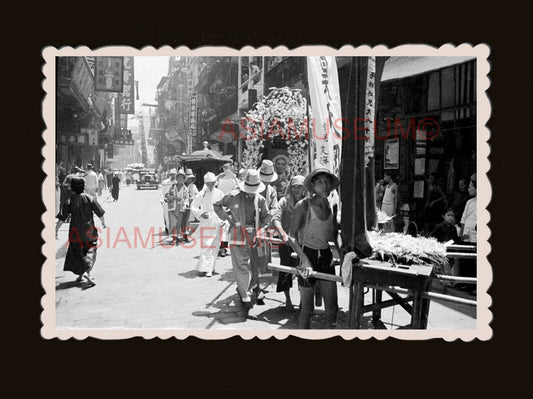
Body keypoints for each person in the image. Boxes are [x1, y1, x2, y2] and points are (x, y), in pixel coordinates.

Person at [288, 168, 341, 329]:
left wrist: (343, 256)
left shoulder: (332, 205)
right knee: (307, 308)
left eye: (327, 182)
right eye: (319, 182)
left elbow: (333, 235)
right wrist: (304, 260)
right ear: (312, 185)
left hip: (325, 256)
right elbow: (291, 236)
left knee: (332, 308)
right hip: (307, 254)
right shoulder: (303, 205)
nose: (324, 185)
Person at [213, 169, 269, 311]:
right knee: (241, 266)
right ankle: (245, 296)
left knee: (255, 265)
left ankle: (252, 288)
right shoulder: (233, 196)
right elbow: (216, 205)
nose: (251, 192)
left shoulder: (260, 200)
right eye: (249, 189)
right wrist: (228, 218)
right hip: (238, 237)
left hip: (255, 238)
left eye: (253, 189)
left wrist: (262, 229)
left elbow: (266, 218)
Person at [55, 177, 106, 287]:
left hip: (75, 232)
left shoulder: (69, 200)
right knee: (90, 251)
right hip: (89, 231)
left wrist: (56, 229)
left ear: (73, 187)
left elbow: (62, 218)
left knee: (78, 253)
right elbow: (100, 213)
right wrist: (103, 223)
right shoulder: (90, 198)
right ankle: (87, 272)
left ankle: (81, 274)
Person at [272, 175, 306, 311]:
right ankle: (288, 300)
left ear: (304, 187)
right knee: (285, 271)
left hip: (303, 243)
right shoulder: (284, 201)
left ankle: (304, 301)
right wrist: (282, 233)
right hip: (286, 242)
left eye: (299, 186)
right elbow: (275, 218)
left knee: (303, 271)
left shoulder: (308, 202)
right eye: (294, 186)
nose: (296, 189)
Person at [190, 172, 224, 277]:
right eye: (208, 184)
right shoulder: (202, 194)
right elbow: (193, 206)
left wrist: (223, 220)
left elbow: (224, 208)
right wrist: (200, 213)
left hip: (217, 221)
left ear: (215, 183)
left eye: (212, 183)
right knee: (206, 244)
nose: (210, 186)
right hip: (207, 221)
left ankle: (211, 268)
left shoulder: (219, 193)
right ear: (206, 183)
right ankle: (204, 268)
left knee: (215, 244)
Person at [216, 163, 239, 257]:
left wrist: (233, 177)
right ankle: (223, 247)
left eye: (228, 167)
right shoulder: (219, 178)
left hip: (231, 204)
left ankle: (224, 247)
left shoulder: (234, 179)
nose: (226, 170)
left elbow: (239, 187)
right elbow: (212, 184)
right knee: (224, 226)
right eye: (224, 167)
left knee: (229, 227)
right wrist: (218, 177)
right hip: (221, 204)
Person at [165, 169, 189, 244]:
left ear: (184, 179)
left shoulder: (185, 188)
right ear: (177, 178)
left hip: (180, 207)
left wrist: (185, 204)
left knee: (179, 222)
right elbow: (167, 195)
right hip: (172, 207)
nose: (180, 179)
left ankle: (177, 237)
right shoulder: (172, 187)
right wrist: (174, 198)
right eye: (179, 178)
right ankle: (174, 238)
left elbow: (186, 198)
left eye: (182, 178)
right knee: (173, 222)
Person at [182, 168, 199, 242]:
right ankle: (183, 234)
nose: (189, 180)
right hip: (184, 205)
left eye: (190, 178)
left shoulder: (193, 186)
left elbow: (197, 194)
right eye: (187, 178)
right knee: (183, 220)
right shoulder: (182, 186)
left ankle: (186, 235)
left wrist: (193, 197)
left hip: (191, 205)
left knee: (188, 221)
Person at [160, 168, 178, 235]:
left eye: (174, 175)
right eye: (171, 174)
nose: (173, 176)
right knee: (166, 216)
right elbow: (161, 192)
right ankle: (168, 228)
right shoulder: (165, 182)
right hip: (166, 202)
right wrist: (162, 200)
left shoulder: (177, 182)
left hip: (175, 202)